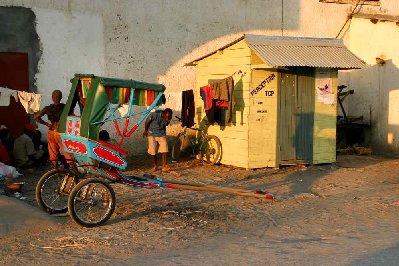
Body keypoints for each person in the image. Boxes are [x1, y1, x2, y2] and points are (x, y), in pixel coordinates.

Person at [34, 90, 74, 169]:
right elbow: (72, 117)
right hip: (60, 132)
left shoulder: (47, 108)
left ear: (52, 97)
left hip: (51, 132)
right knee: (68, 154)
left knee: (53, 155)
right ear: (61, 98)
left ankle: (55, 172)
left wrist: (46, 124)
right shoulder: (65, 107)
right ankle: (76, 172)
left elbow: (36, 117)